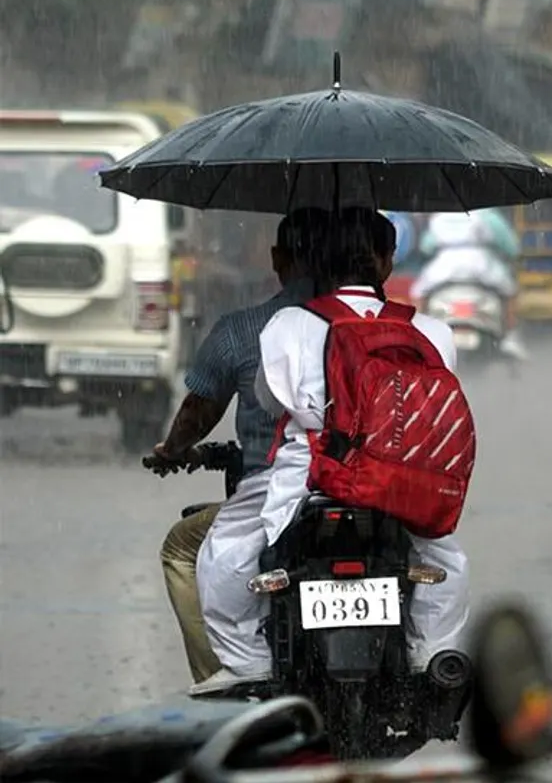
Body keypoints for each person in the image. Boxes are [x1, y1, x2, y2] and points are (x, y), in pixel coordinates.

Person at [192, 208, 471, 694]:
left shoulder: (289, 323)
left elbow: (267, 398)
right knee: (445, 560)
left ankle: (249, 665)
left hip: (308, 475)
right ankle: (431, 659)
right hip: (400, 483)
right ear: (387, 261)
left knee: (224, 553)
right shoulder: (430, 330)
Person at [154, 208, 324, 684]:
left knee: (184, 547)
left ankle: (223, 674)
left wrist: (171, 450)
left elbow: (198, 413)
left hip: (271, 490)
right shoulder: (371, 329)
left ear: (277, 258)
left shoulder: (245, 330)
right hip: (363, 490)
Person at [410, 208, 527, 360]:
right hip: (482, 265)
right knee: (509, 292)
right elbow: (511, 247)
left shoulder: (440, 218)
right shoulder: (489, 216)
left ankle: (418, 336)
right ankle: (510, 337)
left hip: (443, 266)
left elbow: (426, 247)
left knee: (418, 293)